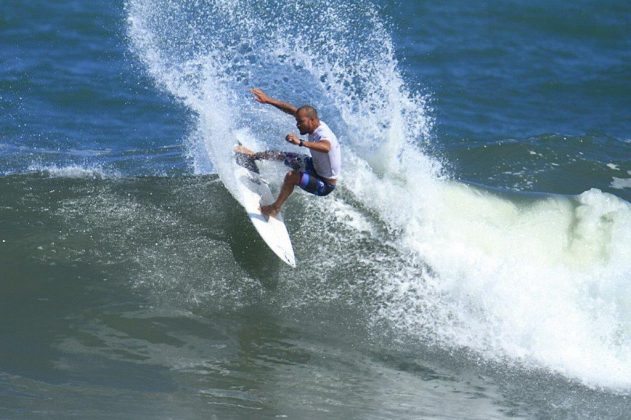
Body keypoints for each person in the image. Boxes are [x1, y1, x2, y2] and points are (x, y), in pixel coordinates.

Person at [236, 88, 341, 217]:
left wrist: (301, 142)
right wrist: (268, 100)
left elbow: (326, 147)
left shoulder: (323, 134)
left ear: (312, 120)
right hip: (313, 166)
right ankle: (254, 156)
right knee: (281, 155)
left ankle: (274, 208)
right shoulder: (313, 123)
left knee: (292, 176)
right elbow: (291, 109)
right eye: (297, 121)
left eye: (300, 122)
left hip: (325, 184)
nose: (298, 125)